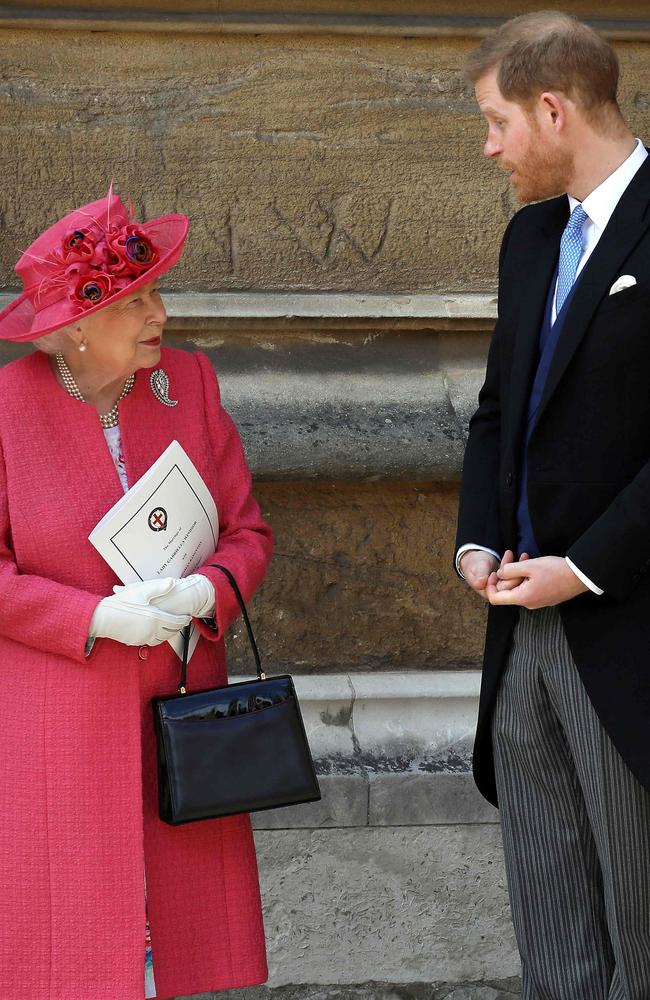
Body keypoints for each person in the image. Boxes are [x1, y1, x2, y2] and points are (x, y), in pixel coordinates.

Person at [0, 189, 273, 999]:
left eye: (156, 292)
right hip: (59, 725)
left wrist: (207, 590)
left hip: (181, 716)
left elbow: (247, 532)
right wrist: (90, 615)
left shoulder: (188, 382)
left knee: (176, 955)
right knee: (70, 957)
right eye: (138, 298)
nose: (161, 312)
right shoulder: (8, 410)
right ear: (78, 325)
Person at [455, 11, 650, 998]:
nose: (489, 147)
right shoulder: (529, 237)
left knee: (638, 931)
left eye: (496, 122)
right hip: (516, 630)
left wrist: (581, 567)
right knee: (552, 930)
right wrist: (475, 541)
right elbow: (499, 409)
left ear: (549, 107)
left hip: (625, 630)